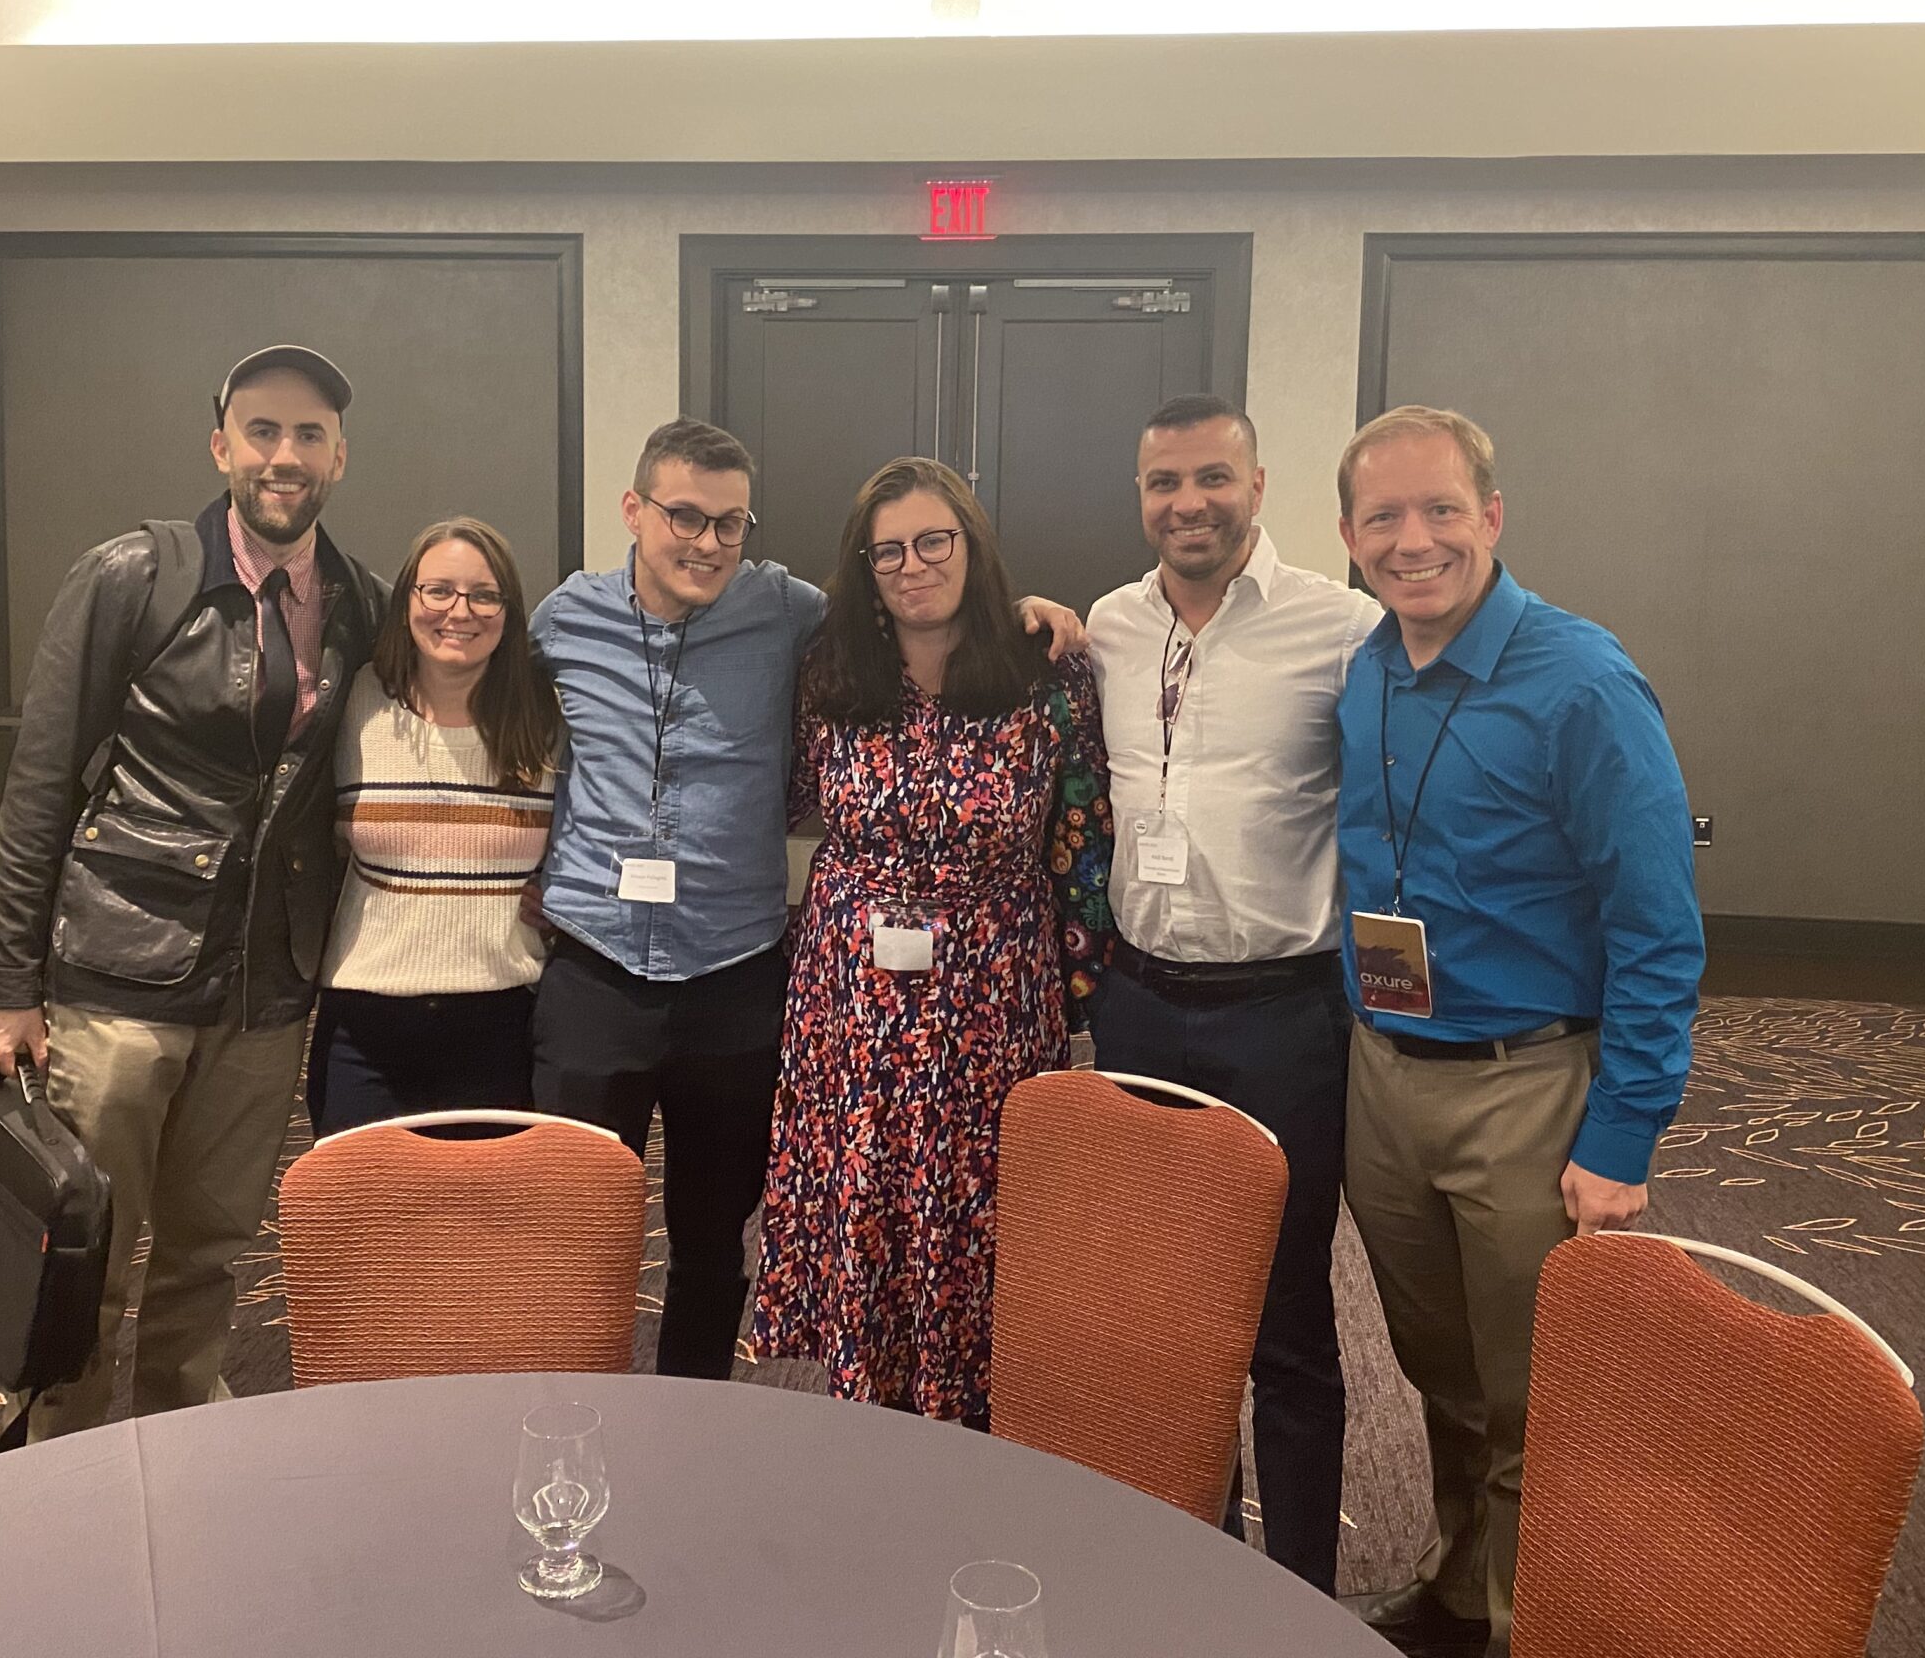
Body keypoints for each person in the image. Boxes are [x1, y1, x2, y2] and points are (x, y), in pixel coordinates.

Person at [528, 419, 1083, 1380]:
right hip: (601, 962)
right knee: (572, 1224)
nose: (706, 542)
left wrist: (1036, 609)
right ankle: (568, 1420)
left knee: (715, 1228)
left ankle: (693, 1417)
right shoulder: (562, 622)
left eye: (729, 523)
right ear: (634, 511)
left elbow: (1077, 824)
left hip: (740, 970)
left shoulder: (793, 616)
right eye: (684, 517)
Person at [1333, 406, 1701, 1658]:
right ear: (1347, 536)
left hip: (1525, 1084)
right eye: (1381, 516)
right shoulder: (1369, 665)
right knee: (1439, 1369)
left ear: (1492, 516)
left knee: (1539, 1398)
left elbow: (1658, 931)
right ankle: (1460, 1584)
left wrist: (1624, 1136)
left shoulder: (1583, 684)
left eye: (1440, 509)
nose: (1412, 538)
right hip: (1383, 1072)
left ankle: (1529, 1628)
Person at [0, 345, 383, 1436]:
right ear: (221, 447)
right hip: (122, 969)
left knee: (209, 1248)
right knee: (87, 1250)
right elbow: (39, 785)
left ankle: (182, 1441)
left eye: (307, 435)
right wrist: (10, 987)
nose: (283, 455)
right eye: (261, 431)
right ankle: (69, 1460)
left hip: (266, 988)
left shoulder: (357, 601)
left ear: (339, 455)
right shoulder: (131, 574)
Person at [1084, 395, 1379, 1591]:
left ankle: (1298, 1591)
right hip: (1139, 1006)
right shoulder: (1105, 624)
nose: (1187, 504)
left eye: (1212, 478)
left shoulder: (1344, 629)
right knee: (1165, 1310)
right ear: (1141, 497)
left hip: (1282, 1014)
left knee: (1286, 1319)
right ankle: (1189, 1566)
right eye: (1164, 483)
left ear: (1259, 486)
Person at [751, 458, 1113, 1424]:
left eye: (933, 542)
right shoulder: (828, 670)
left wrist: (1082, 998)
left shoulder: (1047, 665)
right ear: (865, 569)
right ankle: (867, 1420)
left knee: (976, 1211)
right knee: (867, 1193)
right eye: (889, 552)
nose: (913, 566)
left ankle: (979, 1438)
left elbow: (1083, 835)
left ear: (971, 545)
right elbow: (787, 798)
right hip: (852, 991)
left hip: (995, 990)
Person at [306, 517, 561, 1137]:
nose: (460, 611)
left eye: (484, 594)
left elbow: (602, 823)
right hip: (364, 1020)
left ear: (508, 610)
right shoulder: (356, 701)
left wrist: (566, 893)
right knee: (364, 1222)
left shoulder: (546, 716)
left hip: (499, 1020)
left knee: (478, 1227)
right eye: (438, 590)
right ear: (408, 602)